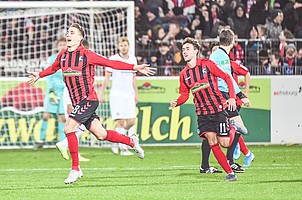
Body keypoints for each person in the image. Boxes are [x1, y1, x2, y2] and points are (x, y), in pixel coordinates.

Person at [28, 23, 156, 184]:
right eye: (68, 32)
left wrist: (134, 67)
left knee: (68, 128)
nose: (68, 34)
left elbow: (110, 63)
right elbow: (53, 68)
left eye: (72, 32)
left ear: (80, 38)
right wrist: (39, 74)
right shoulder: (63, 55)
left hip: (89, 100)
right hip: (77, 103)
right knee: (101, 134)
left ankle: (75, 169)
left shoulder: (87, 55)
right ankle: (131, 141)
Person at [170, 37, 239, 182]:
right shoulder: (184, 74)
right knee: (211, 141)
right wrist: (177, 102)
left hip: (217, 109)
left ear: (196, 51)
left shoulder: (207, 64)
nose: (184, 52)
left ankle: (234, 128)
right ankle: (230, 173)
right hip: (202, 113)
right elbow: (184, 94)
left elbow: (226, 77)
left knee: (225, 143)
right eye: (183, 49)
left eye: (187, 49)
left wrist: (232, 97)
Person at [209, 29, 251, 173]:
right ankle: (228, 160)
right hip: (222, 95)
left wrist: (239, 95)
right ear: (232, 41)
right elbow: (227, 78)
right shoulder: (221, 56)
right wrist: (240, 96)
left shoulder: (218, 55)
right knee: (238, 127)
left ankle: (227, 160)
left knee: (212, 132)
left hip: (221, 94)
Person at [99, 37, 138, 156]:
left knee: (131, 121)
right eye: (121, 45)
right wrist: (102, 93)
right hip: (116, 94)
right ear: (118, 47)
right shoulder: (113, 59)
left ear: (128, 46)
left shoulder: (133, 59)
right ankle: (123, 148)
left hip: (129, 94)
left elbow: (134, 78)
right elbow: (107, 77)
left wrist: (136, 93)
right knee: (120, 121)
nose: (123, 47)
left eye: (125, 45)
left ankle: (115, 140)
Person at [55, 40, 90, 162]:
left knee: (79, 126)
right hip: (70, 95)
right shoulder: (72, 62)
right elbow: (71, 83)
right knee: (79, 126)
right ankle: (64, 144)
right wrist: (70, 103)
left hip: (76, 96)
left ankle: (73, 151)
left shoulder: (81, 62)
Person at [33, 38, 67, 150]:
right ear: (57, 46)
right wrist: (51, 90)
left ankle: (62, 143)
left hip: (64, 93)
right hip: (52, 92)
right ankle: (40, 140)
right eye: (60, 44)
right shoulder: (52, 59)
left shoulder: (70, 59)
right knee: (46, 115)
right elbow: (48, 74)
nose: (62, 46)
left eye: (64, 44)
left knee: (62, 117)